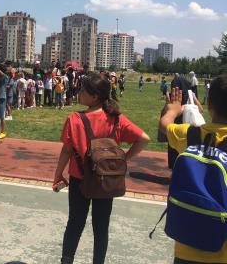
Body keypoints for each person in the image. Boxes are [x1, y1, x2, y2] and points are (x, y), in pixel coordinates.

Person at [53, 73, 150, 264]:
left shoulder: (75, 119)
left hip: (80, 179)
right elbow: (144, 138)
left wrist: (58, 175)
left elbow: (66, 151)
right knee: (101, 227)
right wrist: (123, 159)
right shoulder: (116, 119)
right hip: (107, 180)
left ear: (95, 95)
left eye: (82, 90)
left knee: (75, 223)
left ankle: (66, 260)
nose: (79, 93)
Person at [159, 77, 227, 264]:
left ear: (210, 104)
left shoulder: (191, 134)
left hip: (187, 247)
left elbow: (165, 125)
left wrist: (172, 110)